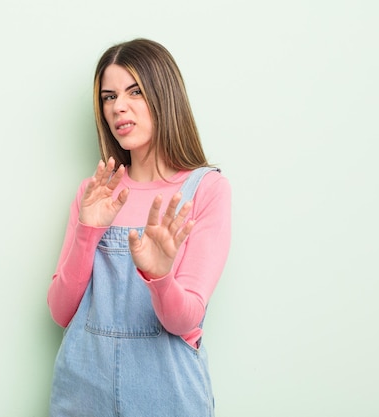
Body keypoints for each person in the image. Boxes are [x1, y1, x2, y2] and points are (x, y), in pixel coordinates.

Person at [47, 38, 231, 416]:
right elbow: (60, 312)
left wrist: (160, 275)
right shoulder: (95, 193)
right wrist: (88, 230)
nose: (118, 107)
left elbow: (185, 319)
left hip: (167, 394)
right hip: (84, 389)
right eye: (108, 97)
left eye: (135, 91)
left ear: (164, 95)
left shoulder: (206, 189)